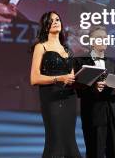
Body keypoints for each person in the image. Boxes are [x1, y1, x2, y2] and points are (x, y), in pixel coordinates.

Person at [30, 11, 81, 158]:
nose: (56, 22)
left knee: (69, 140)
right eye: (51, 20)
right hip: (51, 98)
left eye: (57, 19)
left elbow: (70, 77)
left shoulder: (67, 50)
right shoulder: (41, 47)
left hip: (69, 98)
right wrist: (59, 78)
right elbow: (34, 78)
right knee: (55, 141)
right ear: (46, 26)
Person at [74, 25, 115, 158]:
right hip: (94, 115)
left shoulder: (112, 63)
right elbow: (79, 90)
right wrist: (94, 88)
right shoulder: (80, 61)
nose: (103, 40)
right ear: (91, 42)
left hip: (114, 115)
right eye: (99, 38)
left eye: (105, 38)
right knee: (95, 153)